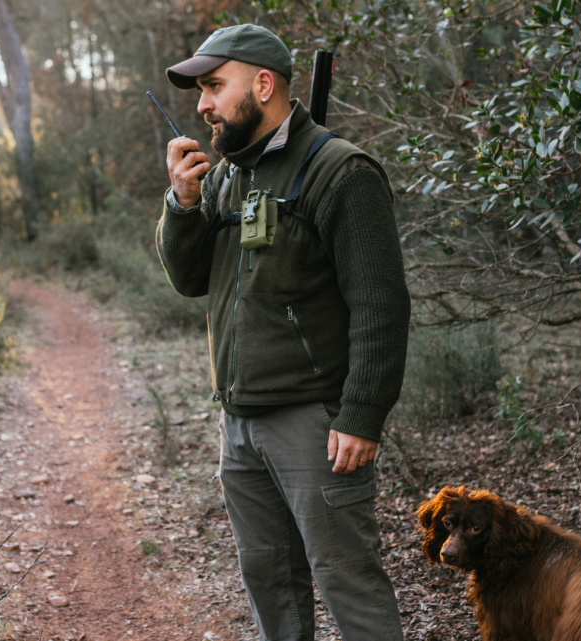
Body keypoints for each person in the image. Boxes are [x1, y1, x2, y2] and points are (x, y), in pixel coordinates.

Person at [155, 23, 410, 641]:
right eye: (201, 90)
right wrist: (182, 203)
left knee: (348, 581)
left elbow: (381, 303)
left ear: (263, 84)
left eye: (215, 85)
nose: (203, 104)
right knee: (271, 585)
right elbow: (190, 280)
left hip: (316, 427)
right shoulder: (224, 177)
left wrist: (361, 415)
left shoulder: (341, 172)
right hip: (238, 424)